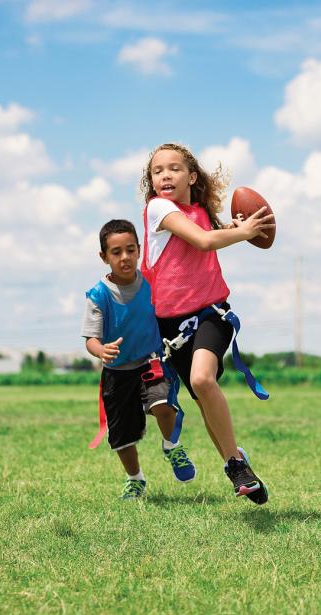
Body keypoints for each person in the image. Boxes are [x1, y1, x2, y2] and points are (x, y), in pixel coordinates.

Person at [139, 142, 275, 504]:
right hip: (170, 330)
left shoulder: (198, 212)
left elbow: (208, 237)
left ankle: (234, 464)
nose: (165, 175)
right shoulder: (158, 208)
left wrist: (236, 227)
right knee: (203, 400)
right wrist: (242, 233)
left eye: (174, 168)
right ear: (151, 182)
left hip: (210, 315)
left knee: (201, 379)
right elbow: (202, 241)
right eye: (157, 171)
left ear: (192, 176)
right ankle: (242, 470)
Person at [81, 219, 196, 500]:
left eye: (131, 250)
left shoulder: (151, 283)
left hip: (151, 362)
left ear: (139, 250)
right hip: (117, 373)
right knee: (122, 435)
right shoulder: (98, 296)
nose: (125, 258)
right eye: (116, 252)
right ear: (104, 257)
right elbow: (90, 339)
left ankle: (172, 444)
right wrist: (101, 350)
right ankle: (136, 479)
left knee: (164, 405)